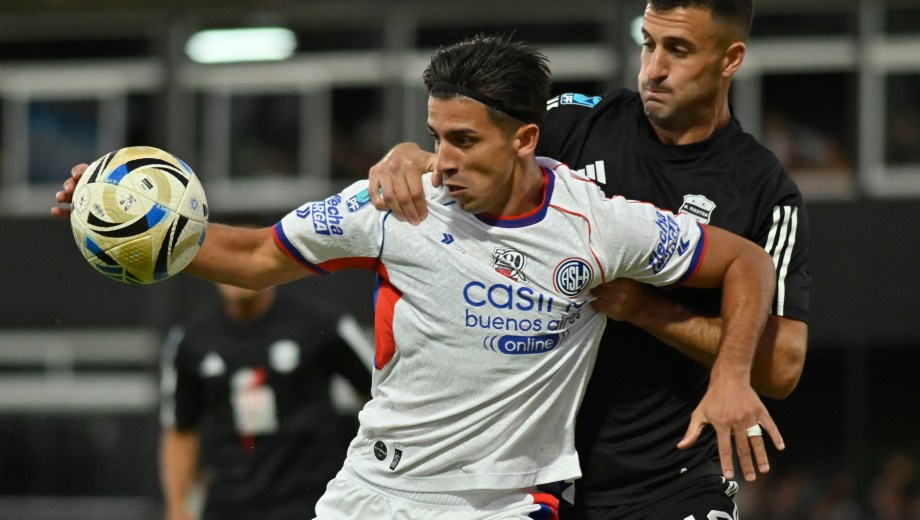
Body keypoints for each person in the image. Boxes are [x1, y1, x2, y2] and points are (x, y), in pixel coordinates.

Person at [55, 34, 781, 519]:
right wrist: (136, 226)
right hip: (375, 490)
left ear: (525, 138)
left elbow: (746, 261)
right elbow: (253, 257)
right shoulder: (397, 204)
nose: (443, 160)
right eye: (435, 137)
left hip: (509, 501)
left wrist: (732, 375)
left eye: (465, 141)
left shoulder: (600, 225)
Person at [367, 2, 811, 519]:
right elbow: (475, 150)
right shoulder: (577, 124)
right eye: (648, 43)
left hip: (667, 480)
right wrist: (408, 156)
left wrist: (647, 310)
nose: (654, 69)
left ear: (730, 58)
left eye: (679, 50)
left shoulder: (763, 188)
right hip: (528, 477)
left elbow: (781, 366)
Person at [159, 280, 372, 520]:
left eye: (244, 253)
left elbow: (381, 393)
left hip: (313, 501)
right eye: (228, 257)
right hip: (228, 505)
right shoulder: (192, 342)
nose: (235, 271)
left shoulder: (320, 325)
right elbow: (181, 430)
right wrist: (177, 506)